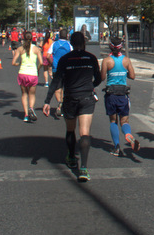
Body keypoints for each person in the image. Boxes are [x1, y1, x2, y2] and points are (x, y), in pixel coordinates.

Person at [42, 32, 101, 182]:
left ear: (71, 44)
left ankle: (71, 156)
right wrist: (90, 86)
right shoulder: (91, 58)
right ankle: (84, 168)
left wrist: (47, 101)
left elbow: (56, 82)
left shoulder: (64, 59)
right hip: (87, 98)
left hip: (70, 98)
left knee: (70, 129)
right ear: (84, 43)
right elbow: (99, 78)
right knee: (85, 132)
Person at [100, 37, 139, 156]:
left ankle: (116, 147)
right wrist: (123, 72)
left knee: (113, 121)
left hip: (111, 94)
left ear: (110, 47)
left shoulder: (107, 61)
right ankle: (128, 135)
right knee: (124, 121)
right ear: (121, 47)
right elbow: (132, 76)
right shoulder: (126, 60)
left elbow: (102, 78)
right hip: (123, 95)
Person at [13, 30, 43, 122]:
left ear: (23, 38)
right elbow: (41, 62)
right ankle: (31, 108)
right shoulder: (36, 49)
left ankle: (26, 115)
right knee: (32, 94)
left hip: (22, 73)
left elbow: (13, 62)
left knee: (24, 94)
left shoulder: (20, 49)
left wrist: (19, 63)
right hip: (33, 73)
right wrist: (37, 69)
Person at [48, 29, 72, 118]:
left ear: (59, 36)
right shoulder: (69, 45)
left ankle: (59, 102)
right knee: (65, 88)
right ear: (67, 36)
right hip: (67, 69)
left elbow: (47, 55)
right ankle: (63, 105)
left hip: (56, 69)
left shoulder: (54, 44)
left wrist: (52, 63)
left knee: (57, 88)